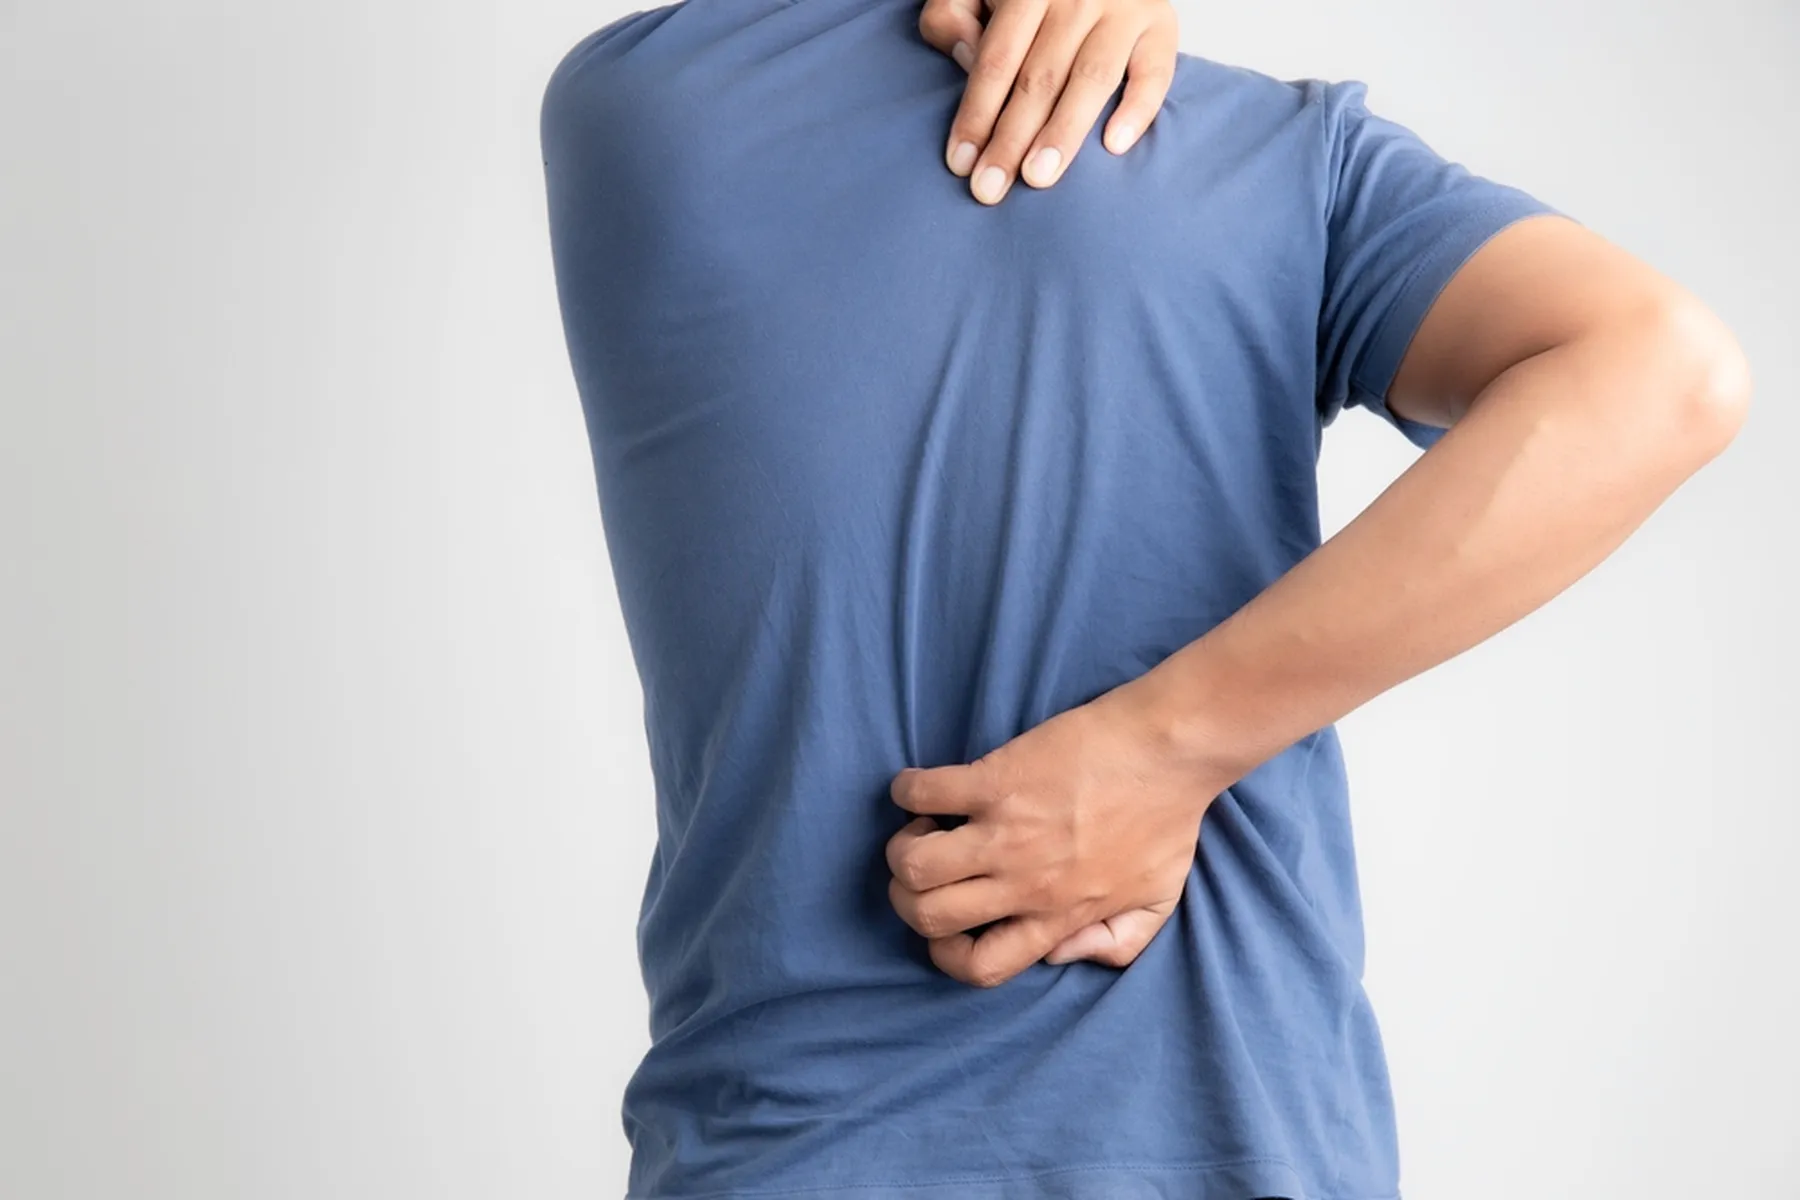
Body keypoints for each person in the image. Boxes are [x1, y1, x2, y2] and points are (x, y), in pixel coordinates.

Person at [537, 0, 1752, 1196]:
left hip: (798, 1146)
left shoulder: (649, 105)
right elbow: (1664, 371)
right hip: (1245, 1132)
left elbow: (1666, 376)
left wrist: (1155, 754)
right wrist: (1169, 750)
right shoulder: (1275, 162)